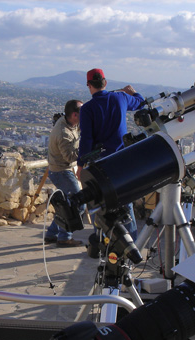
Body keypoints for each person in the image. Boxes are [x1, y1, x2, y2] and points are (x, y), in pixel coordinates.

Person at [77, 68, 144, 240]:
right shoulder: (120, 98)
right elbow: (140, 102)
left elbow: (86, 139)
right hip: (120, 159)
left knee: (98, 203)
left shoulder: (87, 109)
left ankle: (101, 243)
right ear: (105, 83)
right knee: (125, 201)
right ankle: (132, 243)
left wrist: (80, 165)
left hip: (99, 162)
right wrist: (132, 92)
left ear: (89, 85)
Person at [44, 99, 85, 247]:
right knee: (79, 204)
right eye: (82, 112)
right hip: (61, 171)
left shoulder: (68, 121)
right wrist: (86, 149)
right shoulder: (63, 133)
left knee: (67, 205)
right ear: (74, 115)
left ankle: (51, 234)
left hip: (58, 170)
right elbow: (69, 157)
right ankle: (64, 237)